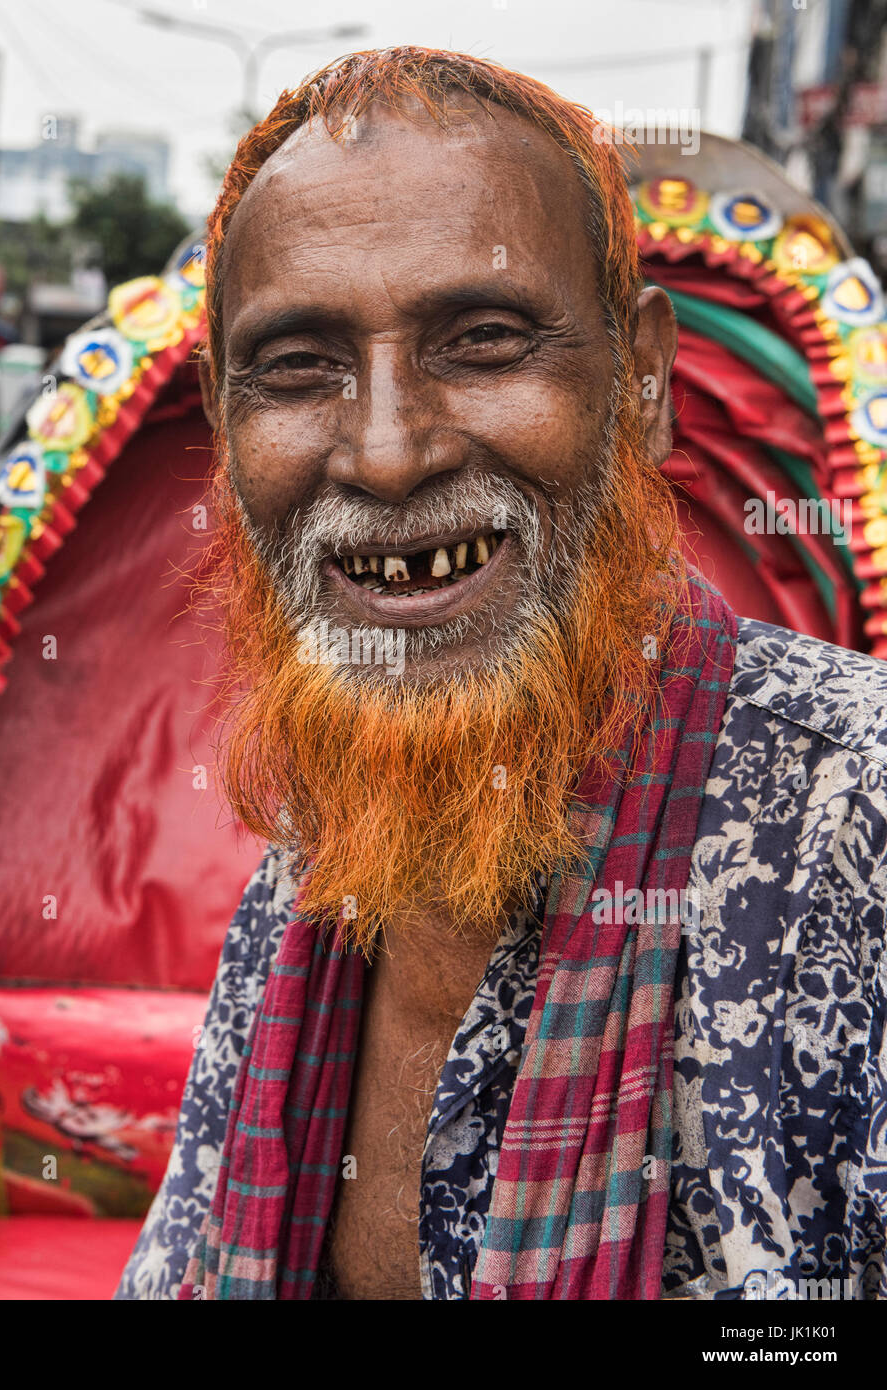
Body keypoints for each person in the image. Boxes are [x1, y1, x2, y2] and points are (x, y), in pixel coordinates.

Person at [117, 48, 887, 1301]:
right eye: (300, 366)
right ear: (223, 419)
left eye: (481, 341)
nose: (382, 453)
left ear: (640, 381)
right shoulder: (308, 878)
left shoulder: (854, 822)